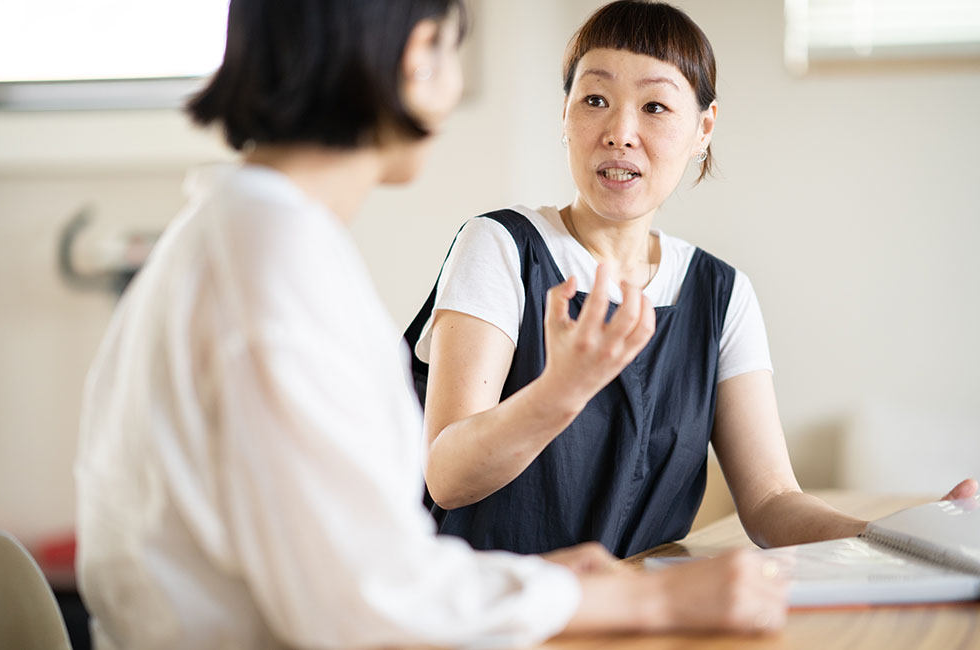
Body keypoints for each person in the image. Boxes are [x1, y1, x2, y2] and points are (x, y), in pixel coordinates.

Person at [74, 1, 794, 647]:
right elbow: (370, 602)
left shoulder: (249, 237)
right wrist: (647, 600)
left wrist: (563, 589)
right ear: (419, 58)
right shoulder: (275, 264)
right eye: (455, 51)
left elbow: (368, 566)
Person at [406, 0, 977, 558]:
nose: (620, 132)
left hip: (640, 619)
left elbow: (772, 500)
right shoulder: (501, 247)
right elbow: (448, 477)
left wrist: (895, 536)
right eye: (595, 99)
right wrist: (561, 392)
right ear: (565, 115)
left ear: (703, 127)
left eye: (655, 107)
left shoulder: (722, 294)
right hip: (495, 617)